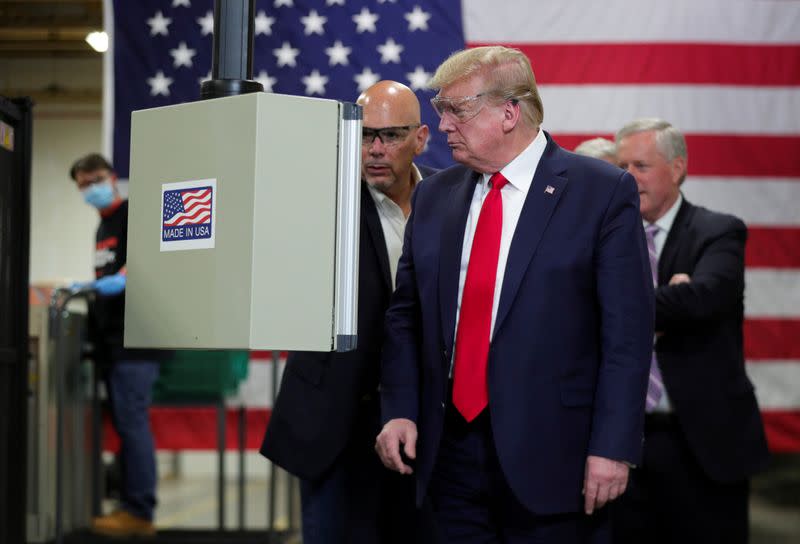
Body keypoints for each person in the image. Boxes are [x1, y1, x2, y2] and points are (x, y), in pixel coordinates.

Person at [375, 46, 654, 543]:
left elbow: (626, 336)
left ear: (509, 112)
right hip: (448, 457)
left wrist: (613, 447)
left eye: (457, 110)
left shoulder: (600, 191)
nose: (442, 127)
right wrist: (399, 407)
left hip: (557, 459)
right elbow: (406, 315)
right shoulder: (435, 195)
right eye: (441, 112)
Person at [260, 81, 435, 544]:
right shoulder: (320, 198)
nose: (375, 150)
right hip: (335, 418)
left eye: (392, 136)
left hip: (421, 418)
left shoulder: (449, 197)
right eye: (364, 135)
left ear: (420, 138)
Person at [612, 118, 770, 543]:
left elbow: (702, 301)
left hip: (701, 443)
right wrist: (666, 298)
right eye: (621, 166)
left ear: (677, 168)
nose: (628, 177)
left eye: (640, 166)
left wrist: (615, 306)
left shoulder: (717, 231)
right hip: (622, 443)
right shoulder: (605, 237)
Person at [69, 154, 160, 537]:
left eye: (97, 179)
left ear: (112, 177)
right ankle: (129, 506)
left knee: (133, 423)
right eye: (84, 183)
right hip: (112, 341)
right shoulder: (101, 227)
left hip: (135, 339)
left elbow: (142, 262)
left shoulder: (130, 214)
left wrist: (121, 280)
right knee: (125, 424)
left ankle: (139, 511)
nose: (92, 188)